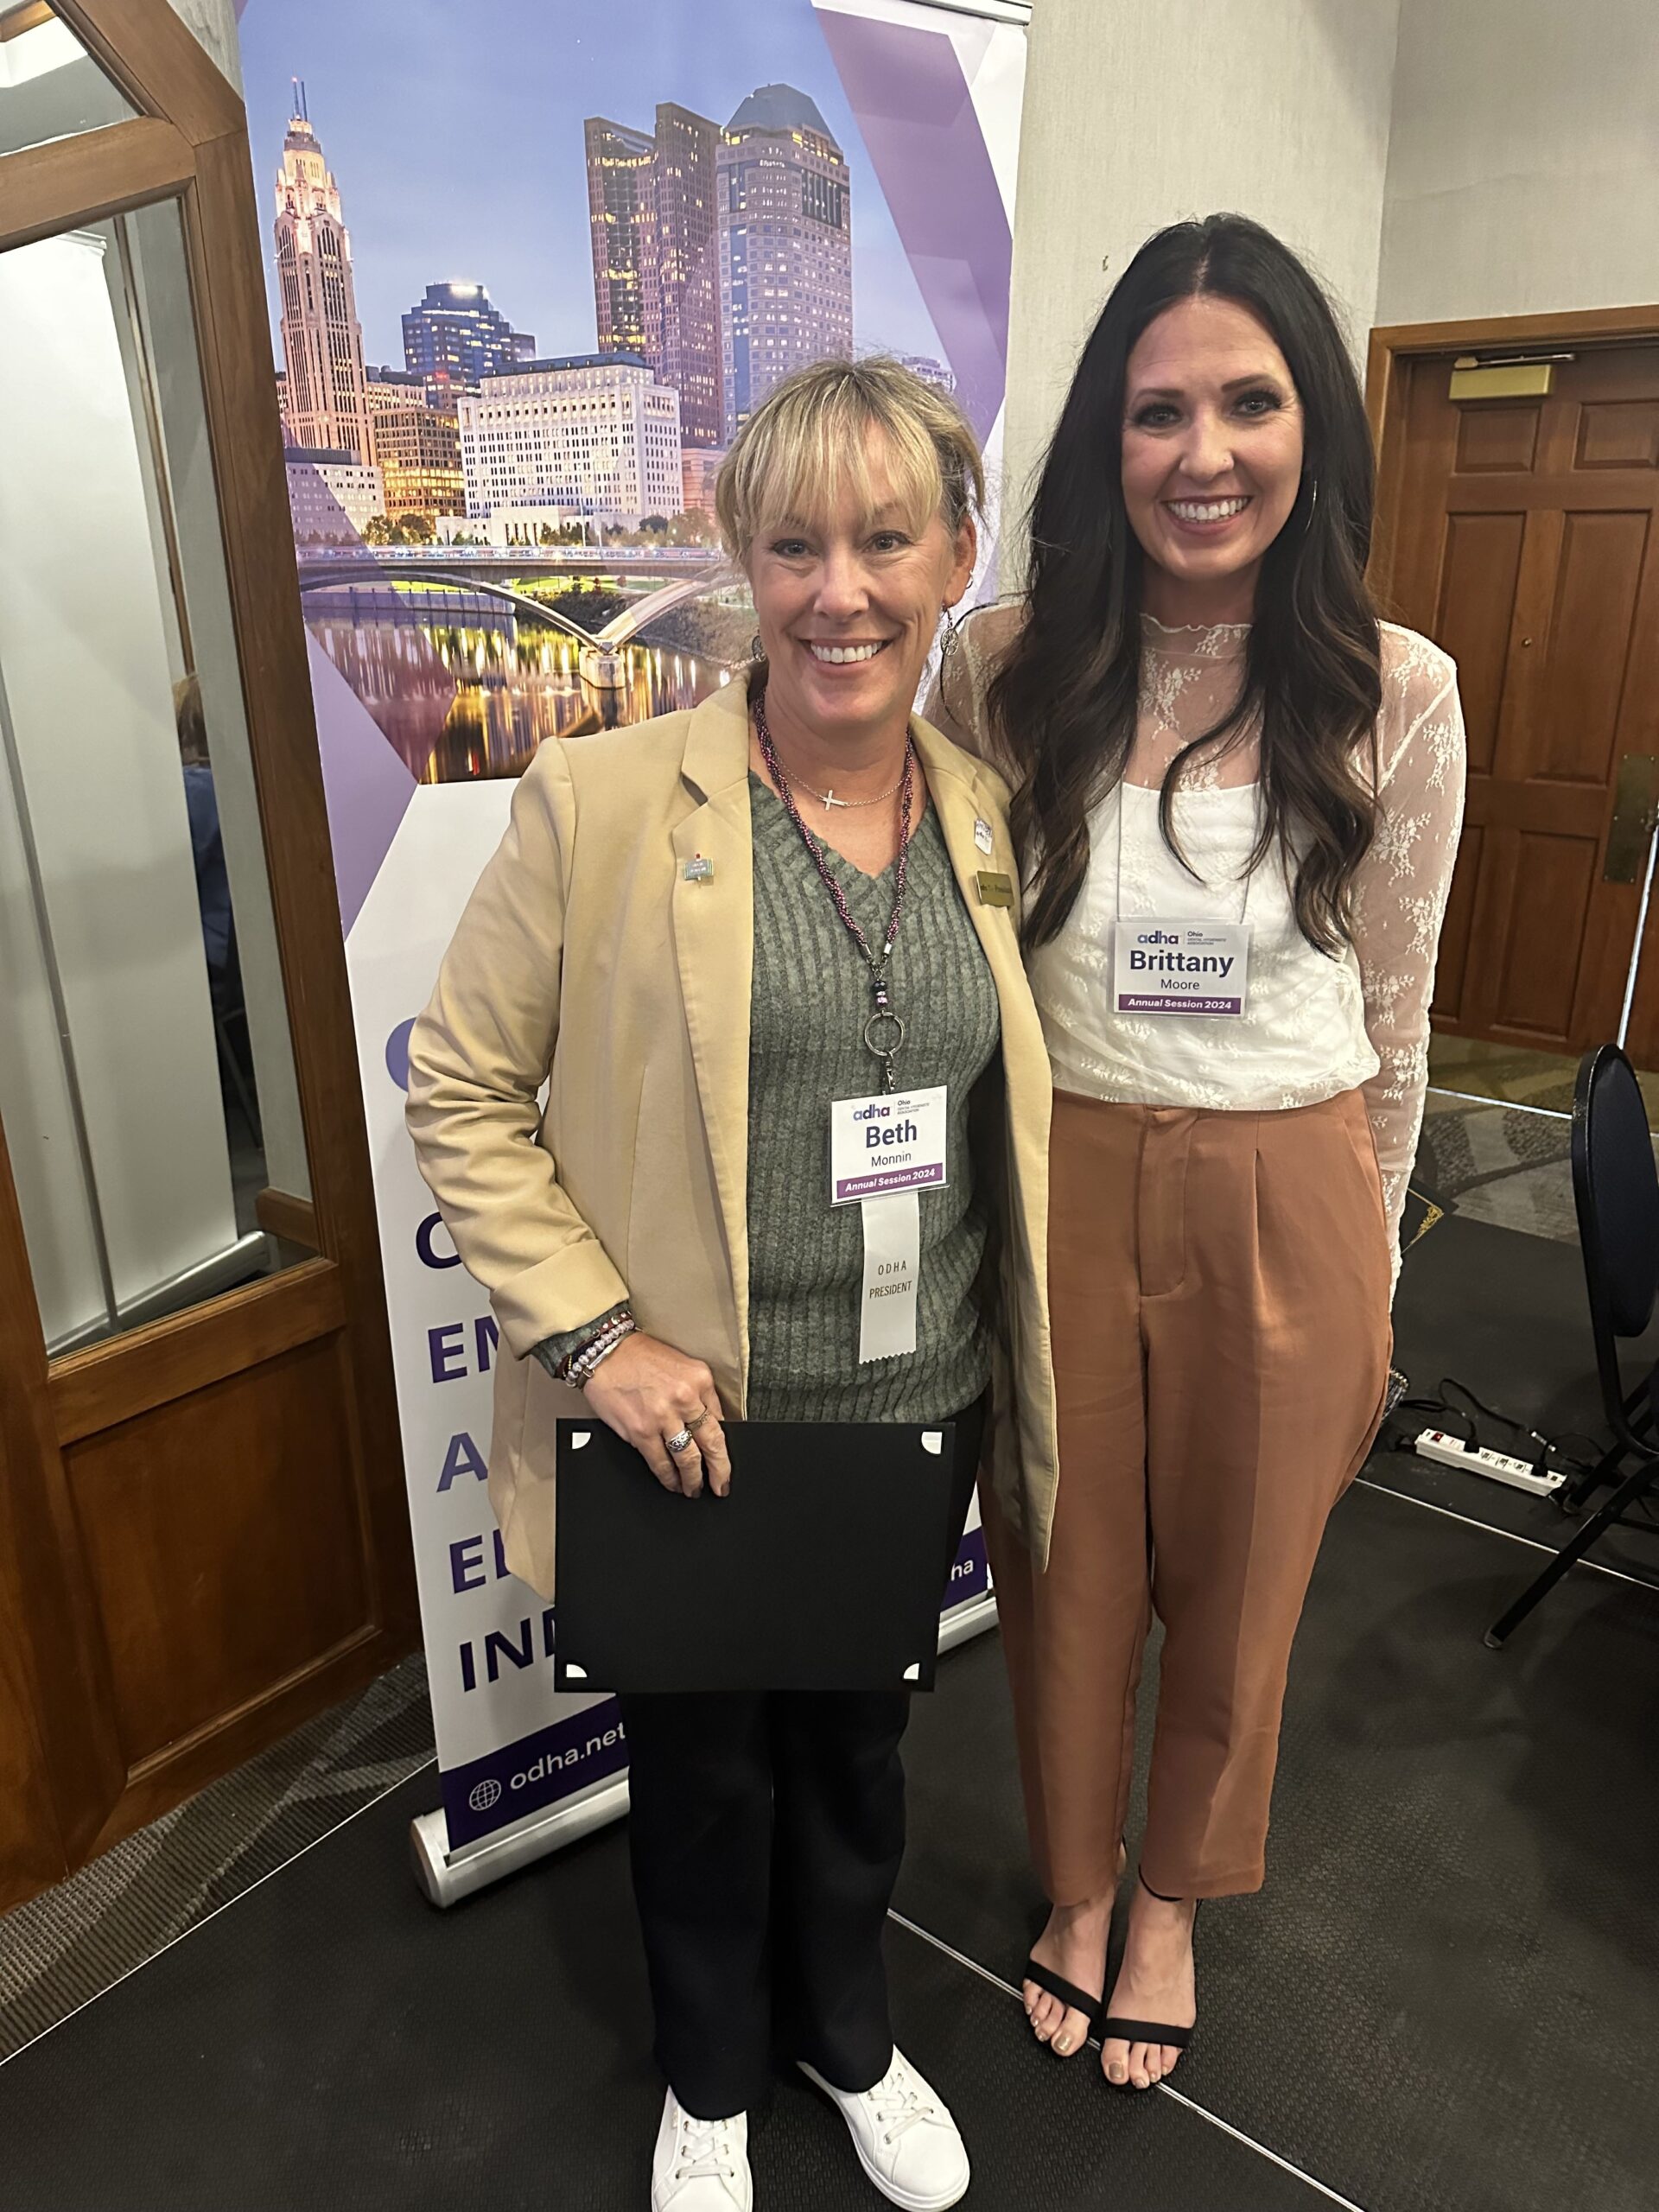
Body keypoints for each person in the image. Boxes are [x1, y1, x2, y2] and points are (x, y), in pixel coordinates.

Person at [405, 357, 1057, 2212]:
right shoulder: (601, 798)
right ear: (739, 559)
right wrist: (599, 1338)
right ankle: (707, 2075)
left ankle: (846, 2035)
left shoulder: (990, 816)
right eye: (794, 544)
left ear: (952, 555)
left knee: (858, 1757)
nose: (838, 588)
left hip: (907, 1401)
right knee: (699, 1778)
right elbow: (459, 1083)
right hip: (690, 1419)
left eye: (882, 539)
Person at [928, 214, 1466, 2094]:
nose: (1206, 450)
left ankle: (1171, 1894)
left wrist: (1377, 1266)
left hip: (1289, 1186)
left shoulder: (1394, 688)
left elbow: (1396, 1017)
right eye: (1161, 410)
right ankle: (1076, 1879)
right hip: (1061, 1171)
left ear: (1315, 423)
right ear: (1107, 440)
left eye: (1251, 401)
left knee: (1244, 1589)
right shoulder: (997, 667)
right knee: (1062, 1561)